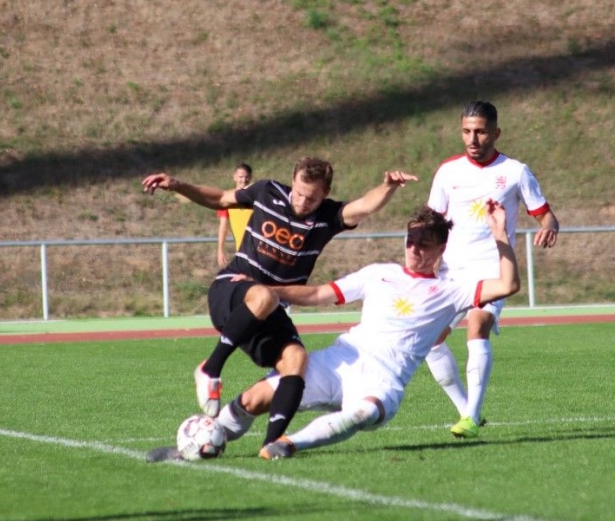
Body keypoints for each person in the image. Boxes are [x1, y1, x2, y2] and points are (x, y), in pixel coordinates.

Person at [141, 158, 417, 457]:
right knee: (264, 296)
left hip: (268, 308)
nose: (302, 202)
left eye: (311, 198)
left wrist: (388, 186)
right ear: (292, 181)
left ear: (325, 193)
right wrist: (177, 185)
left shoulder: (328, 216)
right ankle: (210, 368)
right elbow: (220, 198)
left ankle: (271, 445)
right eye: (298, 193)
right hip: (230, 290)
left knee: (296, 359)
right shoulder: (266, 191)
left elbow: (365, 205)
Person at [208, 202, 520, 460]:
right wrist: (267, 288)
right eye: (410, 241)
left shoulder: (452, 290)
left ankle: (287, 445)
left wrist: (500, 234)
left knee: (365, 412)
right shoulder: (378, 273)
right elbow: (318, 293)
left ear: (441, 248)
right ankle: (207, 437)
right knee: (254, 399)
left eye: (423, 244)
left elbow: (508, 284)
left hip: (384, 380)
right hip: (340, 361)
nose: (413, 249)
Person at [424, 100, 559, 439]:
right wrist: (426, 257)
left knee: (477, 324)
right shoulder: (448, 171)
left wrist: (549, 227)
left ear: (496, 133)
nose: (473, 138)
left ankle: (471, 416)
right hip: (452, 271)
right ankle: (465, 409)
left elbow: (545, 214)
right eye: (467, 131)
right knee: (430, 341)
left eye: (481, 132)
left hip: (492, 268)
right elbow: (432, 221)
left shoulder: (515, 171)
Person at [216, 163, 253, 268]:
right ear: (235, 177)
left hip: (259, 250)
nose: (244, 180)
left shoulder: (256, 198)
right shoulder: (227, 199)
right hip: (242, 252)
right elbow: (223, 227)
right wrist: (220, 250)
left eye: (246, 177)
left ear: (250, 177)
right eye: (241, 177)